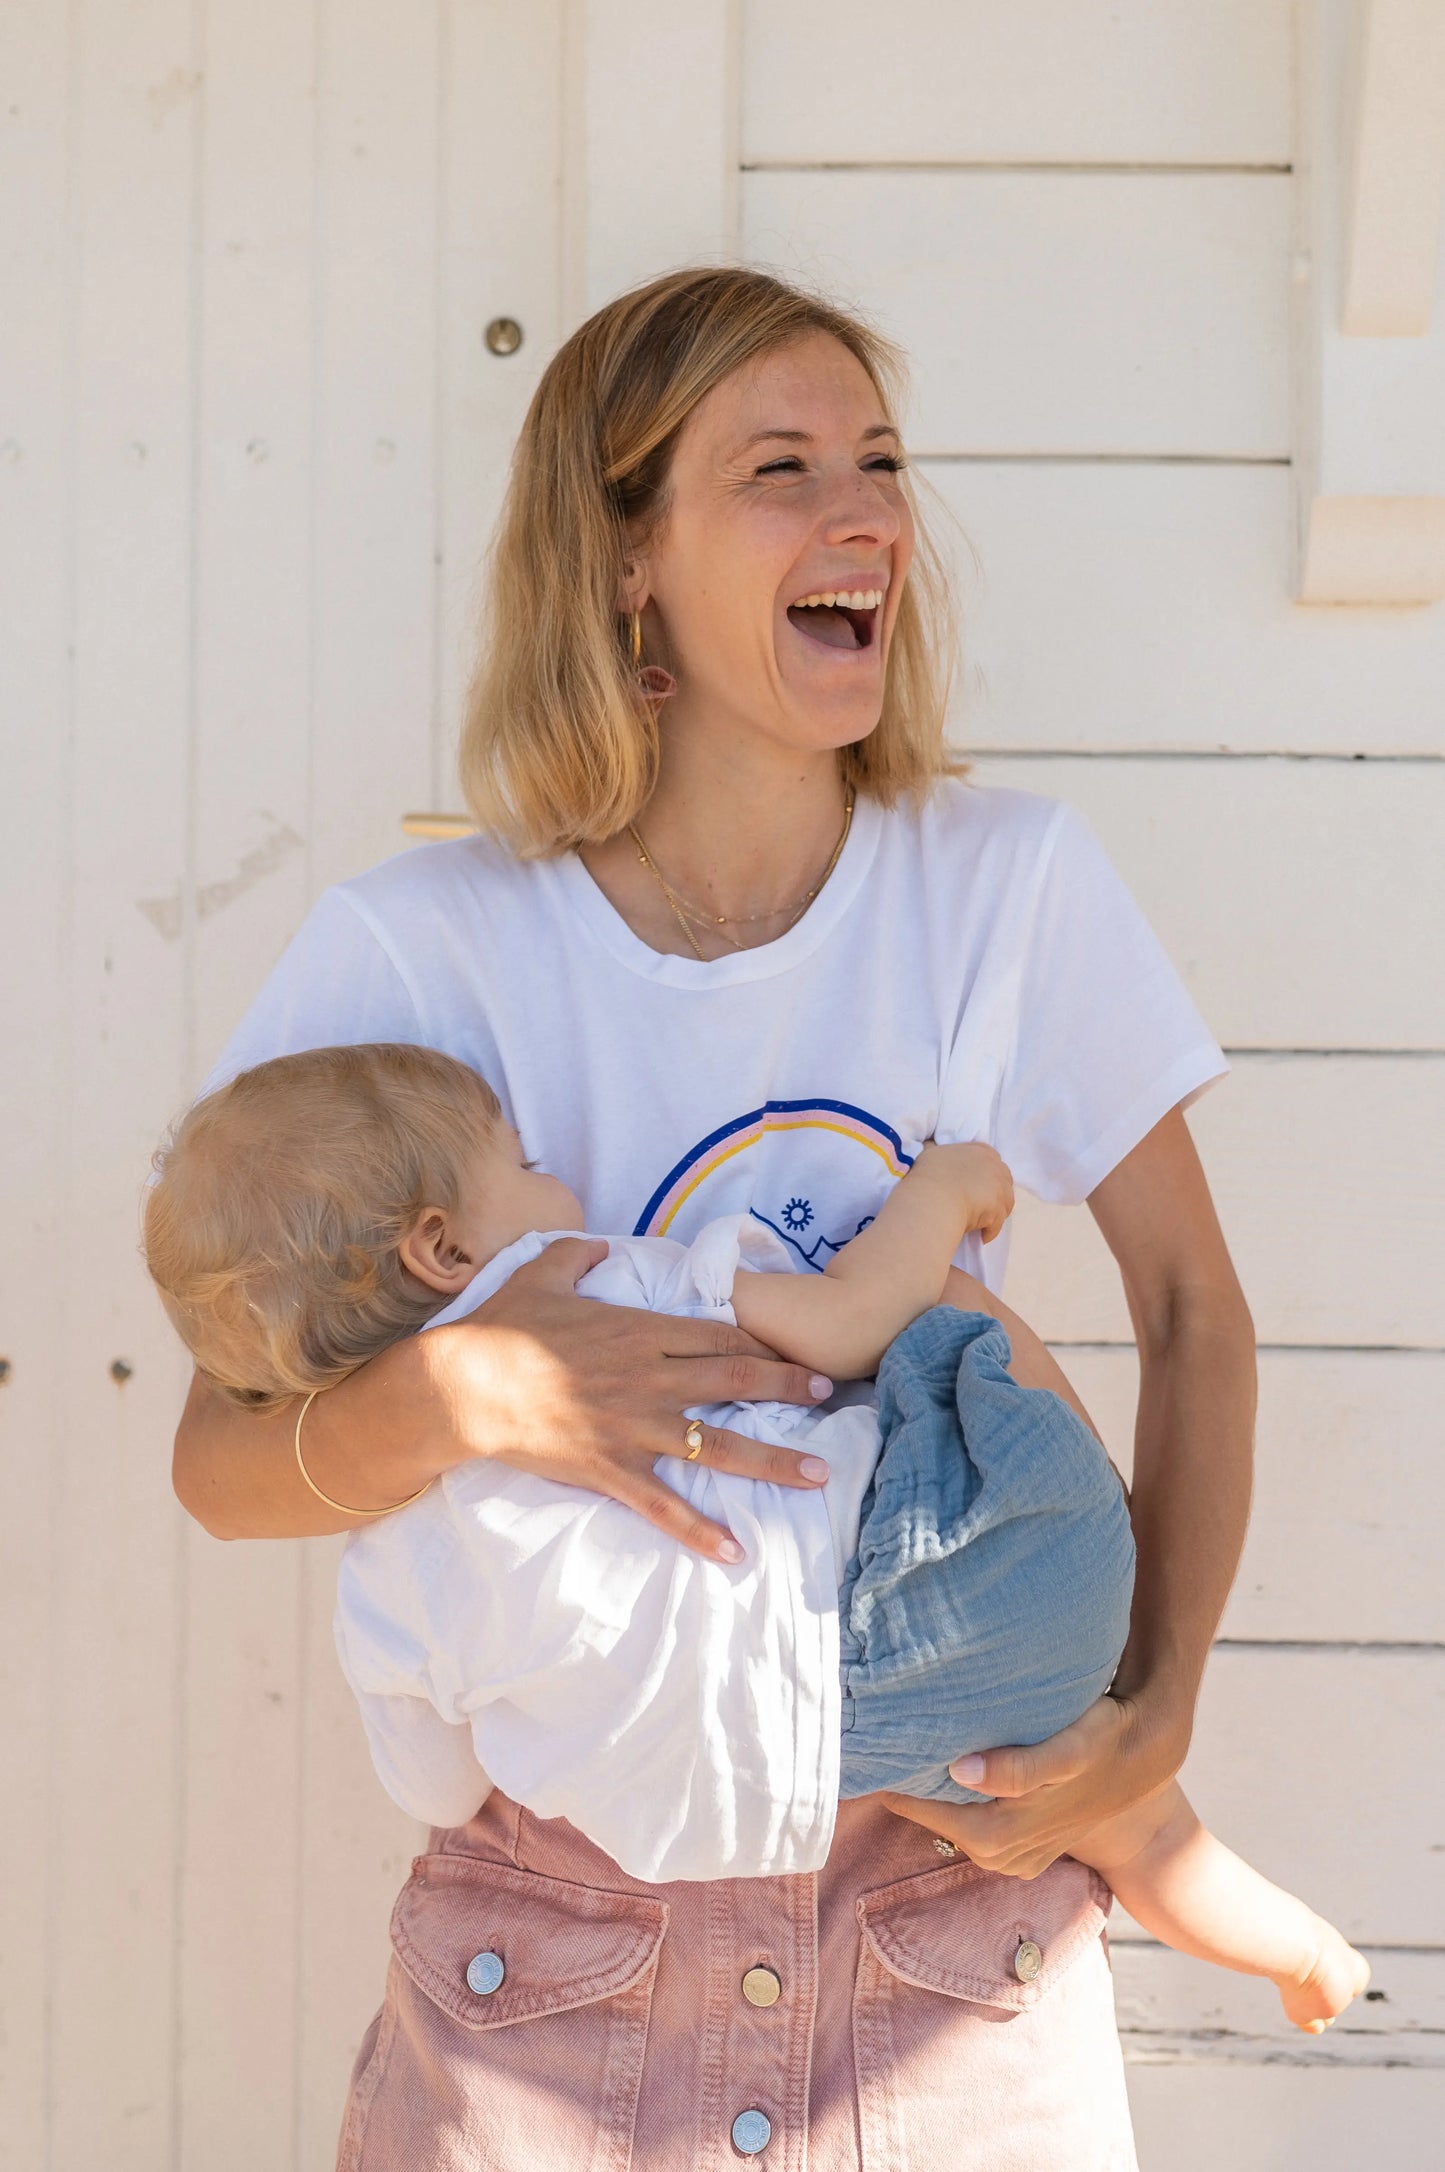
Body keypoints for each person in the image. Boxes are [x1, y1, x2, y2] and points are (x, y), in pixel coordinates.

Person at [173, 265, 1263, 2169]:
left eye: (881, 461)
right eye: (781, 468)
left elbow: (1193, 1310)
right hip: (564, 1965)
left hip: (949, 1928)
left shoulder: (1008, 887)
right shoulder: (422, 954)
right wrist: (475, 1393)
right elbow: (219, 1458)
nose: (865, 514)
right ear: (624, 563)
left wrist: (1152, 1720)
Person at [148, 1039, 1367, 2032]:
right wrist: (939, 1195)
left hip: (813, 1769)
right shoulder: (598, 1281)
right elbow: (844, 1325)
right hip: (984, 1563)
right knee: (940, 1318)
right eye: (516, 1159)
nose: (549, 1171)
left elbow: (436, 1782)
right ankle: (1297, 1944)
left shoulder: (381, 1569)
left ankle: (1284, 1947)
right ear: (444, 1246)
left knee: (1099, 1813)